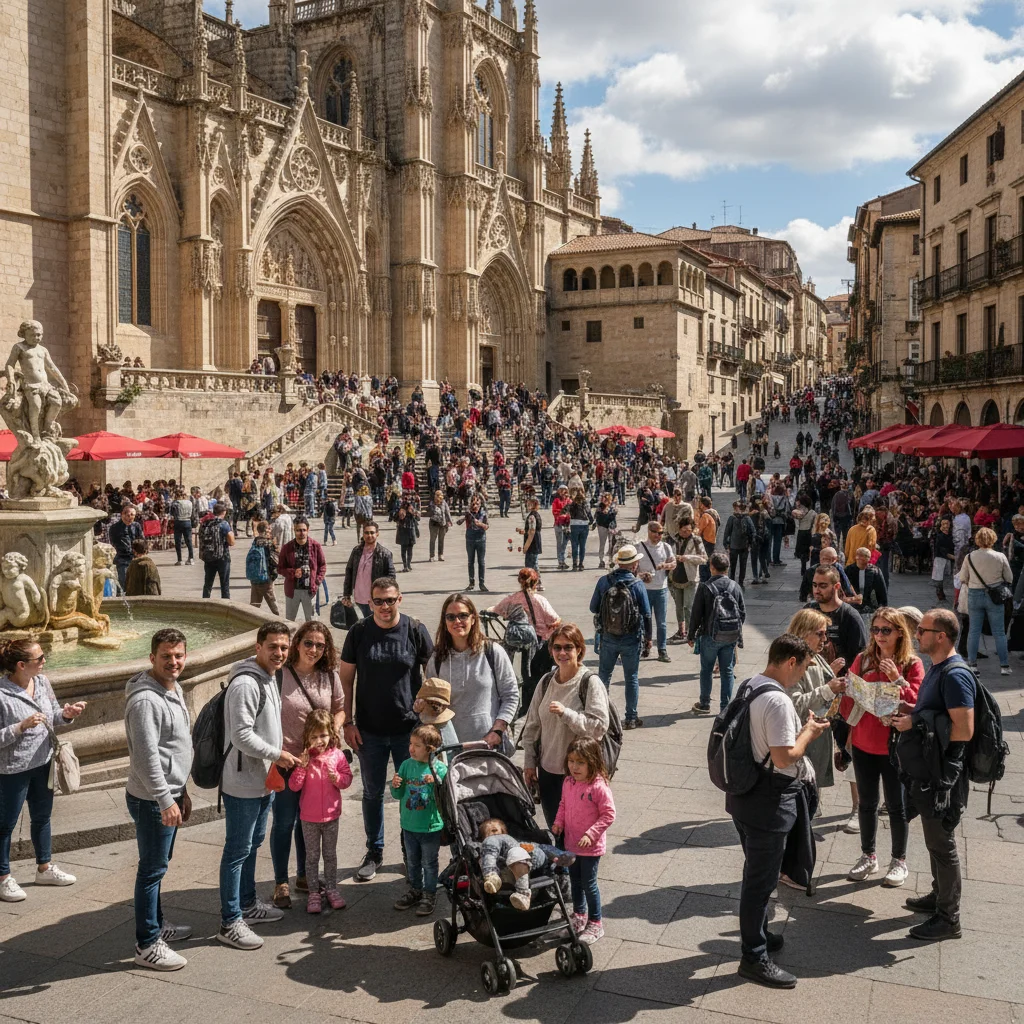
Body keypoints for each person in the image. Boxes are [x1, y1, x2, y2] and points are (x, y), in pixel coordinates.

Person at [727, 634, 827, 989]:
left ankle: (760, 934)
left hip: (742, 793)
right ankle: (753, 956)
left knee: (757, 870)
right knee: (761, 881)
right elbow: (785, 756)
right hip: (768, 800)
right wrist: (809, 733)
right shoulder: (778, 702)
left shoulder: (750, 685)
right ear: (790, 662)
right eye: (802, 669)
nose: (801, 676)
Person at [340, 577, 434, 883]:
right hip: (369, 730)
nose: (384, 606)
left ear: (400, 599)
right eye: (378, 601)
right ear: (369, 602)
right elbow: (345, 680)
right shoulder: (359, 632)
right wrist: (348, 722)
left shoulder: (415, 630)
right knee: (372, 792)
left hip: (411, 731)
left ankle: (411, 851)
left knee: (414, 790)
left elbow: (432, 676)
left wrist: (428, 716)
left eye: (390, 600)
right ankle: (375, 850)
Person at [891, 608, 976, 941]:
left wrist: (917, 723)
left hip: (944, 775)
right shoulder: (937, 668)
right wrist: (912, 711)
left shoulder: (954, 675)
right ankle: (937, 895)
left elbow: (964, 729)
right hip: (930, 770)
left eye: (923, 630)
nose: (917, 635)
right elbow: (935, 713)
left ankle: (948, 917)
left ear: (941, 636)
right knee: (934, 840)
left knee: (943, 843)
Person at [218, 621, 295, 951]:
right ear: (258, 647)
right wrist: (278, 754)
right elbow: (241, 735)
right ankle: (230, 921)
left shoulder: (270, 676)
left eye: (284, 648)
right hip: (243, 781)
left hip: (262, 780)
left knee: (251, 844)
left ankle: (248, 904)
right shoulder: (246, 684)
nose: (279, 653)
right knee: (237, 850)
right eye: (273, 647)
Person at [124, 628, 193, 971]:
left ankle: (158, 925)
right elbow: (147, 758)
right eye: (166, 656)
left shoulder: (172, 686)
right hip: (152, 799)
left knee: (158, 866)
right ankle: (147, 942)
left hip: (168, 793)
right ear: (152, 658)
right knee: (151, 870)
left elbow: (172, 747)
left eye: (179, 655)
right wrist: (166, 800)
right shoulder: (145, 700)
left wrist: (181, 791)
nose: (173, 661)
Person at [841, 608, 923, 888]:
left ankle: (899, 860)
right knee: (866, 803)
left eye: (885, 630)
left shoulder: (911, 664)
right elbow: (849, 696)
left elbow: (919, 701)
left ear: (900, 632)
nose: (879, 636)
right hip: (864, 741)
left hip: (894, 746)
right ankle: (868, 855)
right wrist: (852, 694)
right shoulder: (863, 659)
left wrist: (896, 680)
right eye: (875, 629)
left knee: (897, 806)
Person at [0, 640, 86, 903]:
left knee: (42, 818)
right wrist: (20, 727)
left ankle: (44, 868)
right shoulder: (2, 694)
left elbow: (54, 716)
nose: (44, 661)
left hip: (44, 762)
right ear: (21, 665)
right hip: (12, 770)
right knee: (5, 825)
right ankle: (3, 878)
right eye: (40, 659)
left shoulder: (43, 682)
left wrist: (67, 714)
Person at [270, 621, 346, 910]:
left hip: (319, 764)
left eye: (320, 645)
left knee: (310, 821)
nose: (314, 649)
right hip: (288, 759)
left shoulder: (329, 675)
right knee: (285, 821)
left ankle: (305, 875)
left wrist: (333, 731)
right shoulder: (281, 674)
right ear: (297, 643)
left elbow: (340, 708)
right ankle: (281, 882)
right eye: (308, 643)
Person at [521, 624, 610, 826]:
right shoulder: (546, 681)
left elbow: (598, 727)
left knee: (579, 833)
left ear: (579, 649)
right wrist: (529, 763)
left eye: (568, 647)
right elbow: (532, 725)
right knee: (556, 830)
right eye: (557, 647)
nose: (562, 653)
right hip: (548, 772)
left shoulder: (590, 682)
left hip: (580, 773)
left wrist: (566, 714)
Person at [424, 594, 519, 749]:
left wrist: (498, 730)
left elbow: (511, 695)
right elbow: (432, 702)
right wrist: (423, 705)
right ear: (444, 621)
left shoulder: (493, 652)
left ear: (473, 618)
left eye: (463, 616)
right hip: (450, 746)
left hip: (488, 743)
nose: (457, 621)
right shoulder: (437, 659)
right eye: (451, 617)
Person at [288, 708, 353, 914]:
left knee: (330, 855)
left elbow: (347, 778)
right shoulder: (305, 758)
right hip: (309, 817)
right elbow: (294, 786)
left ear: (331, 734)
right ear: (307, 737)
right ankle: (314, 892)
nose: (319, 740)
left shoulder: (338, 755)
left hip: (331, 816)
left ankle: (332, 889)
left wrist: (339, 780)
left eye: (323, 735)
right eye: (314, 736)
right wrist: (302, 767)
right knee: (312, 856)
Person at [552, 737, 616, 946]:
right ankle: (579, 916)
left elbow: (608, 814)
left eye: (580, 762)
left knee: (589, 884)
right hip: (571, 842)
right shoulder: (569, 782)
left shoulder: (598, 786)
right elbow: (563, 804)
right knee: (575, 882)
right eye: (571, 761)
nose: (574, 767)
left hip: (591, 847)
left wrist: (592, 833)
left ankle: (595, 922)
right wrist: (559, 822)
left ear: (593, 762)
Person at [589, 546, 652, 729]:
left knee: (603, 676)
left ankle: (602, 715)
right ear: (634, 564)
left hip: (608, 636)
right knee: (631, 677)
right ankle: (631, 717)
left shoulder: (604, 581)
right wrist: (648, 639)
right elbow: (647, 614)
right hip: (631, 638)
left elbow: (593, 607)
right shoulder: (637, 584)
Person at [389, 724, 448, 916]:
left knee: (429, 863)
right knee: (412, 862)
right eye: (410, 743)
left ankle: (429, 893)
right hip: (409, 825)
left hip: (430, 827)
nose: (411, 748)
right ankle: (415, 889)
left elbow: (447, 797)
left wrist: (437, 782)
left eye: (417, 745)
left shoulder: (439, 768)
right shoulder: (406, 765)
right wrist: (395, 785)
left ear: (430, 749)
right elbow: (398, 794)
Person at [784, 609, 846, 792]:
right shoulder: (792, 661)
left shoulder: (815, 656)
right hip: (800, 746)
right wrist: (828, 689)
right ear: (803, 632)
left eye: (825, 634)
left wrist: (831, 676)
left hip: (815, 743)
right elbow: (794, 705)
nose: (825, 639)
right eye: (819, 634)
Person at [486, 568, 561, 711]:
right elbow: (555, 619)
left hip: (516, 637)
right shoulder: (540, 600)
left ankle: (515, 698)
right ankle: (534, 703)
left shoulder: (512, 599)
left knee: (513, 665)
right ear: (536, 582)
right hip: (537, 639)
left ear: (520, 581)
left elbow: (496, 610)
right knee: (532, 673)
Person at [688, 552, 746, 713]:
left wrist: (691, 635)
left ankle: (705, 703)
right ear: (727, 568)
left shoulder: (705, 587)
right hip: (730, 636)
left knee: (706, 669)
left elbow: (696, 613)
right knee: (727, 670)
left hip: (710, 635)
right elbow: (742, 612)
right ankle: (725, 706)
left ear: (712, 567)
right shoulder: (735, 586)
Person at [958, 526, 1012, 673]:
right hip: (995, 596)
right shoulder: (1000, 556)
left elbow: (962, 578)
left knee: (974, 631)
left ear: (977, 540)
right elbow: (1009, 578)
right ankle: (1004, 666)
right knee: (999, 632)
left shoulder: (969, 557)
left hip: (975, 595)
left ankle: (972, 665)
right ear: (993, 539)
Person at [806, 565, 868, 672]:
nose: (817, 590)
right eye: (815, 585)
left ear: (837, 586)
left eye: (823, 586)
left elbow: (859, 657)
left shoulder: (850, 616)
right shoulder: (808, 611)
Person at [635, 519, 676, 662]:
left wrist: (665, 565)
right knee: (643, 620)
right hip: (644, 589)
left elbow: (674, 563)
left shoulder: (665, 547)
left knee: (661, 622)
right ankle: (645, 645)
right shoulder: (639, 547)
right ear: (649, 532)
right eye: (656, 533)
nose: (659, 535)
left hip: (661, 589)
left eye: (661, 533)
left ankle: (662, 649)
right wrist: (641, 575)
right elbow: (634, 567)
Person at [342, 521, 396, 619]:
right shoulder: (356, 551)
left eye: (372, 532)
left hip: (376, 601)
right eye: (366, 533)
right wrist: (346, 594)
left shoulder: (385, 554)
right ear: (363, 534)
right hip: (358, 599)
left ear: (377, 533)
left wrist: (385, 596)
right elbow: (349, 571)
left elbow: (391, 577)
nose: (369, 535)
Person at [278, 517, 326, 622]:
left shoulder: (315, 546)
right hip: (292, 590)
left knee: (311, 621)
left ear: (308, 530)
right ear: (294, 530)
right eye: (298, 530)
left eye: (304, 530)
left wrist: (317, 581)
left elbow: (322, 566)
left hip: (310, 590)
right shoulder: (287, 548)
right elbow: (280, 568)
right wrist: (292, 573)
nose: (302, 533)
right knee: (290, 620)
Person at [668, 518, 706, 644]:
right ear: (679, 529)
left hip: (690, 577)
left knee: (688, 607)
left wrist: (687, 558)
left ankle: (691, 632)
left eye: (688, 530)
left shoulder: (696, 540)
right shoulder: (673, 539)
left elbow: (704, 559)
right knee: (679, 607)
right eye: (683, 530)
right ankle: (681, 631)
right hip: (676, 577)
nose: (686, 533)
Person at [200, 502, 235, 600]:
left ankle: (204, 604)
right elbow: (232, 542)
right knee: (224, 584)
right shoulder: (223, 524)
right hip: (222, 557)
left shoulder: (205, 523)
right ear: (223, 512)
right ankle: (226, 605)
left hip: (208, 556)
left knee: (207, 583)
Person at [247, 520, 280, 616]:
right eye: (269, 528)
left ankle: (251, 621)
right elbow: (275, 560)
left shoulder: (255, 541)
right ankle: (279, 620)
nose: (270, 530)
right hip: (266, 577)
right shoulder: (269, 542)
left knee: (255, 604)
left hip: (255, 577)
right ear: (266, 530)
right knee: (272, 603)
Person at [109, 504, 144, 591]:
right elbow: (113, 543)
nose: (130, 517)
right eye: (128, 515)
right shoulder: (114, 528)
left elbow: (142, 540)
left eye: (132, 515)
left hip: (136, 558)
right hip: (122, 559)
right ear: (122, 515)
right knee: (124, 584)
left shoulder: (136, 526)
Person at [845, 546, 888, 615]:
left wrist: (883, 608)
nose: (859, 558)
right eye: (858, 555)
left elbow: (882, 590)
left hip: (870, 606)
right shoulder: (849, 570)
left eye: (863, 556)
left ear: (869, 558)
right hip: (852, 605)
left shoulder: (875, 571)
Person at [723, 501, 755, 588]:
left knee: (733, 565)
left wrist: (726, 545)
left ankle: (732, 581)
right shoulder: (747, 518)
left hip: (734, 545)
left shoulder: (732, 518)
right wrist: (750, 544)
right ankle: (741, 582)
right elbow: (753, 532)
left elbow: (727, 532)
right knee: (743, 565)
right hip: (744, 545)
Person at [462, 493, 489, 592]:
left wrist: (480, 524)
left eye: (477, 502)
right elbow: (463, 523)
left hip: (481, 538)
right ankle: (471, 583)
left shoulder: (483, 513)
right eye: (473, 502)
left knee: (481, 562)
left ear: (480, 503)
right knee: (470, 561)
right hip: (470, 538)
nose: (475, 505)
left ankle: (482, 584)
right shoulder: (468, 513)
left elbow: (487, 526)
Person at [567, 488, 594, 571]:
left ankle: (574, 564)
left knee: (574, 545)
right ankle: (581, 564)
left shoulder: (572, 503)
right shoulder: (586, 503)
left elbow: (565, 511)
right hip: (584, 525)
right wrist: (591, 522)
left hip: (574, 524)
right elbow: (588, 513)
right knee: (582, 546)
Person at [426, 489, 453, 562]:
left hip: (442, 523)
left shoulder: (444, 503)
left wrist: (450, 521)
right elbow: (428, 512)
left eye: (440, 495)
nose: (438, 497)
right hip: (433, 523)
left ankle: (440, 554)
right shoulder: (432, 503)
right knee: (432, 540)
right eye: (437, 495)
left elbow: (447, 512)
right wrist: (433, 507)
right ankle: (432, 556)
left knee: (441, 540)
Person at [169, 489, 195, 566]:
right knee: (189, 541)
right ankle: (191, 558)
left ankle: (180, 560)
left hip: (178, 521)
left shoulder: (175, 503)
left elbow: (171, 513)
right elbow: (193, 513)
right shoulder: (190, 503)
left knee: (178, 541)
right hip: (187, 521)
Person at [395, 501, 420, 572]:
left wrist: (413, 513)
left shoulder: (412, 509)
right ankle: (405, 565)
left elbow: (418, 519)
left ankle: (408, 564)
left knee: (410, 550)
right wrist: (400, 515)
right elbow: (394, 518)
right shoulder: (400, 509)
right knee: (403, 550)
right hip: (403, 532)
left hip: (411, 532)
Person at [594, 493, 617, 570]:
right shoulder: (599, 507)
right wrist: (602, 512)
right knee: (602, 543)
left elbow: (613, 517)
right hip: (602, 526)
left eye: (607, 498)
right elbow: (596, 516)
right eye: (604, 498)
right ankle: (601, 560)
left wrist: (613, 512)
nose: (605, 500)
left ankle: (611, 560)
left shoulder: (612, 506)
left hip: (611, 527)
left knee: (611, 544)